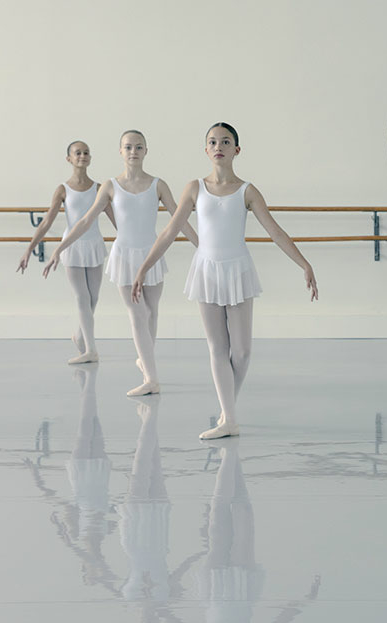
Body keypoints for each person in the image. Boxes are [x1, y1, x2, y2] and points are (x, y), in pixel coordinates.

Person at [131, 122, 318, 440]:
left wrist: (304, 264)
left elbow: (275, 231)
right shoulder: (194, 188)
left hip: (238, 270)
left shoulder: (248, 191)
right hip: (206, 270)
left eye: (226, 141)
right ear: (206, 150)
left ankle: (227, 408)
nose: (219, 146)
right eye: (213, 141)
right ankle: (229, 418)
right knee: (218, 348)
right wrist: (144, 267)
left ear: (236, 150)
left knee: (242, 351)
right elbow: (169, 231)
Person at [45, 130, 198, 396]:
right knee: (137, 314)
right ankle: (151, 378)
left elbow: (179, 218)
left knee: (152, 312)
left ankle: (145, 358)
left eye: (138, 147)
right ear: (121, 152)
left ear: (146, 151)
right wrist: (60, 248)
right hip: (124, 257)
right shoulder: (110, 186)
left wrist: (201, 245)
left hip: (151, 254)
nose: (133, 152)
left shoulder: (158, 185)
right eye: (128, 147)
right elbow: (85, 220)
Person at [17, 140, 115, 364]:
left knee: (94, 297)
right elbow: (46, 222)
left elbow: (115, 218)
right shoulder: (63, 189)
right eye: (77, 153)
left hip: (93, 244)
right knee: (82, 297)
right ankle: (90, 349)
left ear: (90, 157)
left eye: (86, 152)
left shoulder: (99, 188)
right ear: (69, 159)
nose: (82, 156)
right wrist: (28, 249)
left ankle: (80, 335)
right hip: (71, 246)